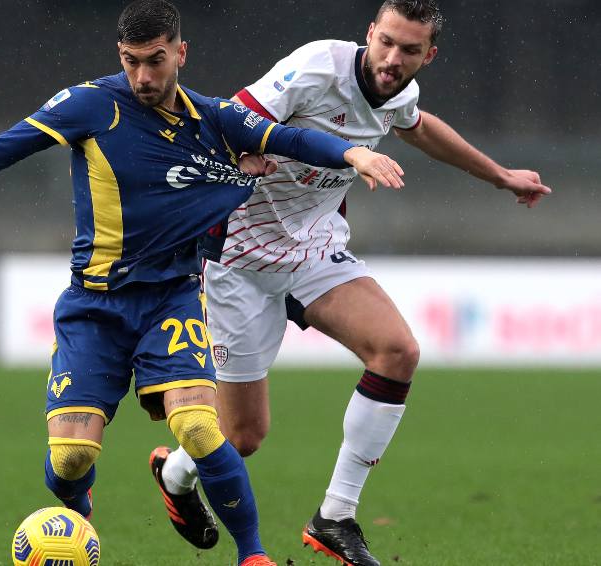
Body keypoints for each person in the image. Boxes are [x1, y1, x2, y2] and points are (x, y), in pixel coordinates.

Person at [0, 2, 410, 565]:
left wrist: (352, 152)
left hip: (171, 298)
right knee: (72, 458)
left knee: (199, 426)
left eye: (156, 60)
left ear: (180, 53)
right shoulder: (89, 106)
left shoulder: (213, 116)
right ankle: (77, 505)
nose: (144, 77)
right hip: (95, 305)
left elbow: (287, 140)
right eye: (131, 62)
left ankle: (253, 555)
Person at [151, 1, 553, 565]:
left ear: (428, 56)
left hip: (314, 250)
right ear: (371, 33)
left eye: (409, 50)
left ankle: (335, 515)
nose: (392, 59)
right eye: (386, 42)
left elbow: (419, 127)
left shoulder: (398, 93)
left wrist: (500, 176)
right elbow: (232, 118)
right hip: (237, 258)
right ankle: (174, 475)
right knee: (242, 437)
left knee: (397, 351)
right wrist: (245, 155)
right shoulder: (318, 66)